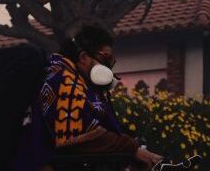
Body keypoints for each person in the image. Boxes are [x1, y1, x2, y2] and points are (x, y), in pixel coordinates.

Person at [14, 24, 162, 171]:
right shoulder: (64, 81)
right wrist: (132, 149)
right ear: (84, 57)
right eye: (105, 59)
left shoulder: (80, 81)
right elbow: (80, 137)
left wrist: (130, 145)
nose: (108, 67)